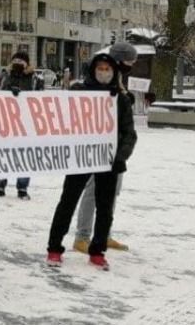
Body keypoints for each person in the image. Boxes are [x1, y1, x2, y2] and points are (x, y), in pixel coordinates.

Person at [47, 52, 138, 271]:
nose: (104, 73)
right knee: (67, 202)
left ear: (114, 72)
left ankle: (97, 251)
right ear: (92, 70)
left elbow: (129, 134)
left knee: (105, 208)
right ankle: (54, 247)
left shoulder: (120, 98)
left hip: (108, 160)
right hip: (80, 158)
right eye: (100, 68)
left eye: (108, 69)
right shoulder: (78, 92)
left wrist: (120, 157)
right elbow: (58, 116)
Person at [70, 42, 139, 255]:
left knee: (112, 192)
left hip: (115, 145)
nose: (131, 66)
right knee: (93, 191)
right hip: (96, 146)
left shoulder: (117, 80)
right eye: (128, 62)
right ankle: (82, 235)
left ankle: (103, 232)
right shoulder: (97, 79)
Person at [0, 51, 44, 201]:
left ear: (27, 64)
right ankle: (0, 184)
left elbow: (40, 98)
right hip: (7, 121)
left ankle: (22, 187)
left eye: (22, 61)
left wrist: (24, 95)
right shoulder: (5, 75)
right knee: (3, 153)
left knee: (26, 155)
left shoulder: (35, 78)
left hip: (27, 123)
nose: (18, 63)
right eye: (16, 60)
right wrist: (9, 92)